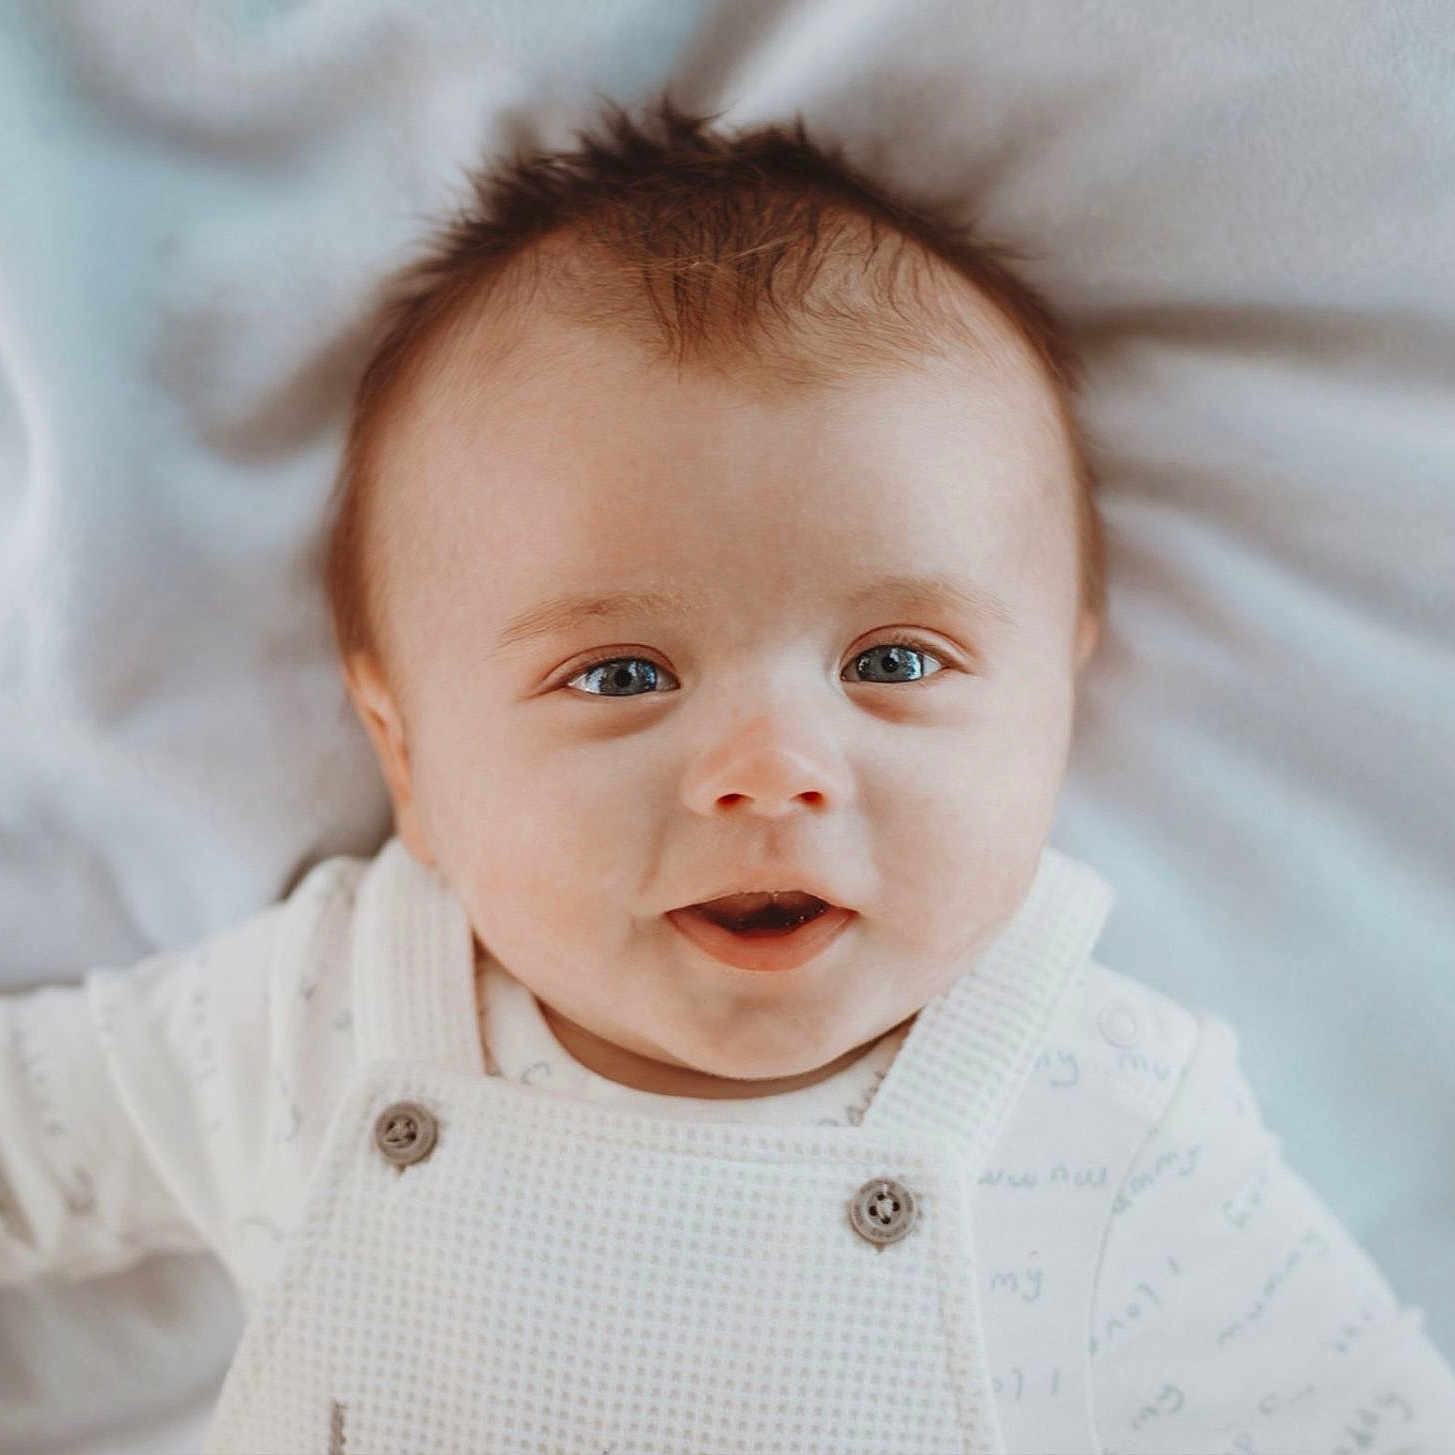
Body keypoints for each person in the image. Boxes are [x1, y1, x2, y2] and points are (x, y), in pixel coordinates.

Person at [3, 92, 1452, 1455]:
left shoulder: (1109, 1114)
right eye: (623, 676)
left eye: (893, 663)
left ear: (1060, 692)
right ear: (410, 764)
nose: (770, 774)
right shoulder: (319, 1016)